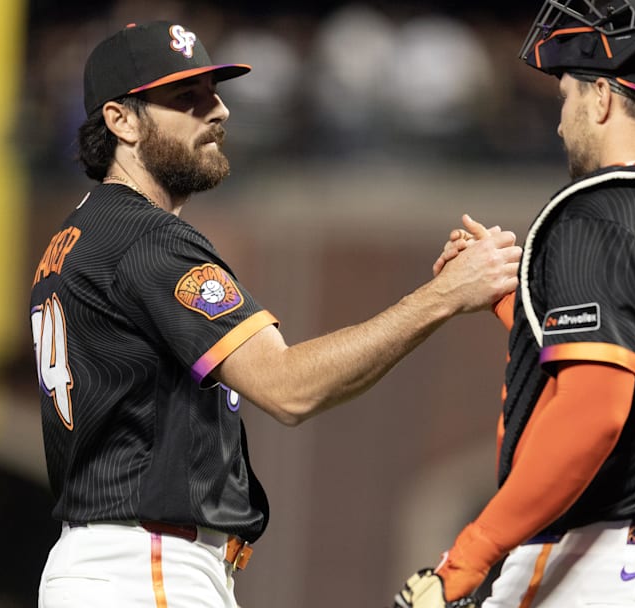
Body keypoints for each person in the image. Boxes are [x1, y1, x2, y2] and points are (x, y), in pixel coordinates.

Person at [28, 20, 522, 608]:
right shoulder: (147, 238)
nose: (218, 111)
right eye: (185, 98)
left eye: (213, 92)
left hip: (108, 564)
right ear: (121, 121)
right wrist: (444, 297)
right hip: (148, 566)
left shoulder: (79, 237)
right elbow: (289, 388)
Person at [394, 1, 635, 607]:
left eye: (567, 97)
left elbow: (594, 411)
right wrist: (513, 299)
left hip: (601, 569)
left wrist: (468, 556)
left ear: (602, 98)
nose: (562, 122)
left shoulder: (598, 211)